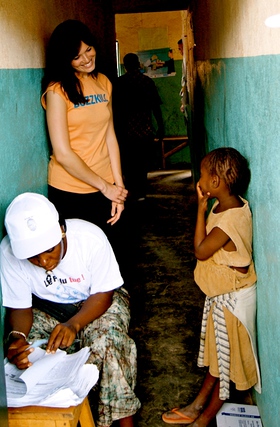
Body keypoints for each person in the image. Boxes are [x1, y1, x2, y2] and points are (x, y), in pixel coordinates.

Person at [1, 192, 140, 427]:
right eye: (33, 258)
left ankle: (124, 421)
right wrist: (17, 337)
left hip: (98, 300)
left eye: (49, 250)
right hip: (47, 308)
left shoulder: (90, 238)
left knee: (108, 343)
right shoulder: (8, 253)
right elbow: (20, 308)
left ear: (61, 231)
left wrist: (74, 324)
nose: (44, 262)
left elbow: (104, 293)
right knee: (31, 354)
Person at [162, 148, 261, 426]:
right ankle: (196, 406)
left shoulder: (226, 221)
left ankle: (203, 418)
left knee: (225, 366)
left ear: (216, 182)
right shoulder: (230, 204)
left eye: (204, 176)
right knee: (219, 360)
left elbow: (200, 250)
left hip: (232, 305)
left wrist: (200, 207)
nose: (201, 181)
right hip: (222, 299)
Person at [41, 20, 128, 269]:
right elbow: (63, 153)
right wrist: (105, 187)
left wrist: (118, 187)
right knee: (77, 261)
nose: (86, 59)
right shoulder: (57, 91)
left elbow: (109, 135)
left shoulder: (103, 82)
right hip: (71, 191)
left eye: (88, 49)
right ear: (64, 58)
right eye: (76, 56)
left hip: (107, 188)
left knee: (109, 258)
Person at [113, 53, 164, 201]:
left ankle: (130, 191)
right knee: (142, 162)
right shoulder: (147, 82)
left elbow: (114, 110)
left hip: (125, 131)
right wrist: (160, 126)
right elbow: (155, 107)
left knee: (128, 162)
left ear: (125, 65)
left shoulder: (119, 83)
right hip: (144, 129)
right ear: (138, 64)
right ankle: (141, 192)